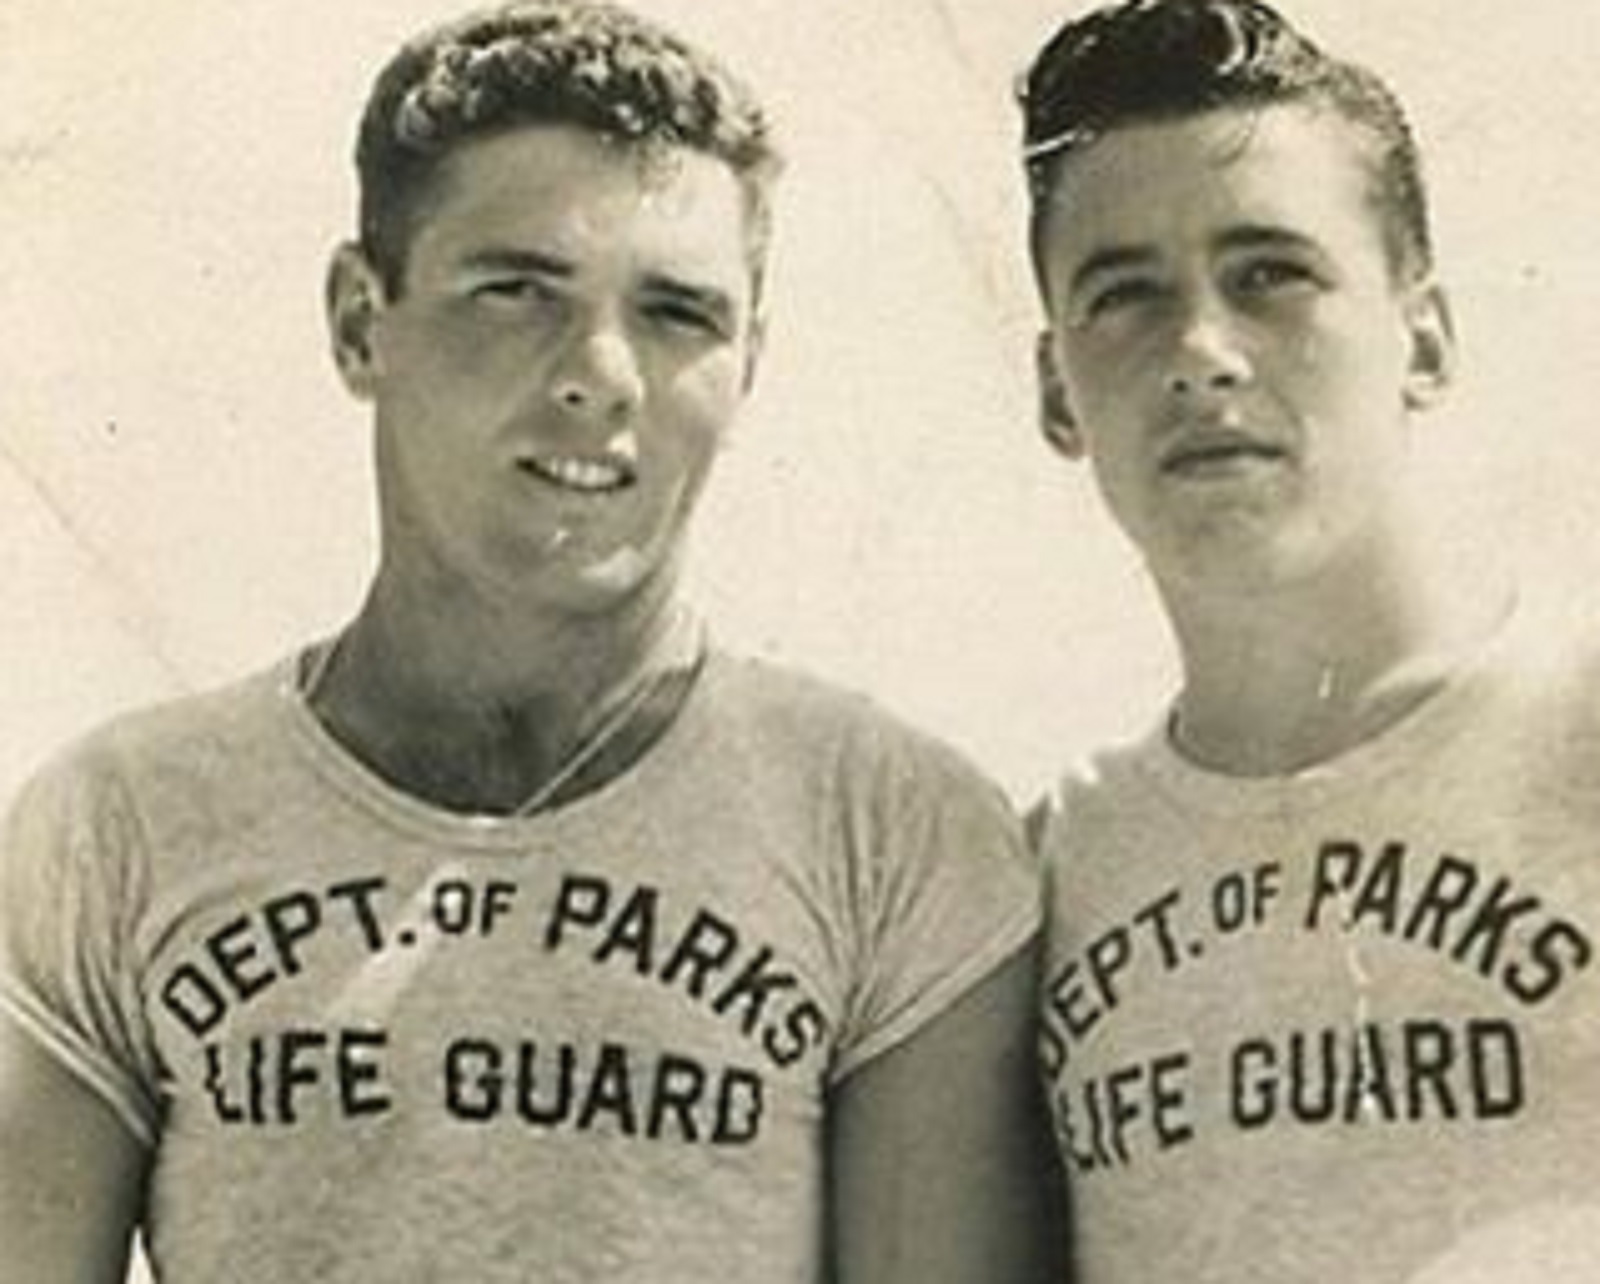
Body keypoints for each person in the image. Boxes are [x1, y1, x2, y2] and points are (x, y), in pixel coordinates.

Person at [0, 4, 1058, 1280]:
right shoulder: (116, 829)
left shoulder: (891, 830)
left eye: (678, 314)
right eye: (517, 290)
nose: (600, 373)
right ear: (357, 320)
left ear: (750, 363)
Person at [1017, 0, 1600, 1279]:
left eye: (1270, 272)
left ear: (1425, 338)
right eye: (1123, 296)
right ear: (1057, 390)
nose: (1201, 352)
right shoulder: (1042, 872)